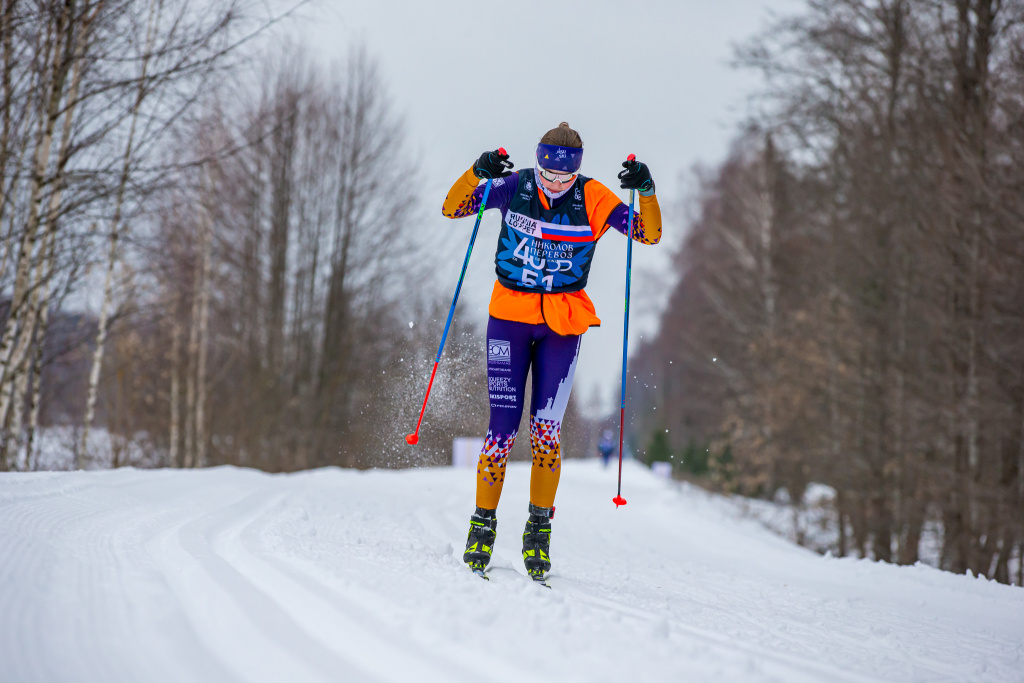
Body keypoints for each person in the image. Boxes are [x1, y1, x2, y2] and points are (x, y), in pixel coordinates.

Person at [441, 122, 662, 582]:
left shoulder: (594, 197)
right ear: (537, 163)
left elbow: (648, 234)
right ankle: (482, 527)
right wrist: (477, 173)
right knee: (501, 428)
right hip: (509, 319)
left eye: (563, 178)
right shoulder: (515, 185)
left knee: (546, 430)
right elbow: (453, 208)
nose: (553, 185)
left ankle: (538, 532)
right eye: (547, 174)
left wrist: (648, 190)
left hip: (563, 324)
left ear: (576, 173)